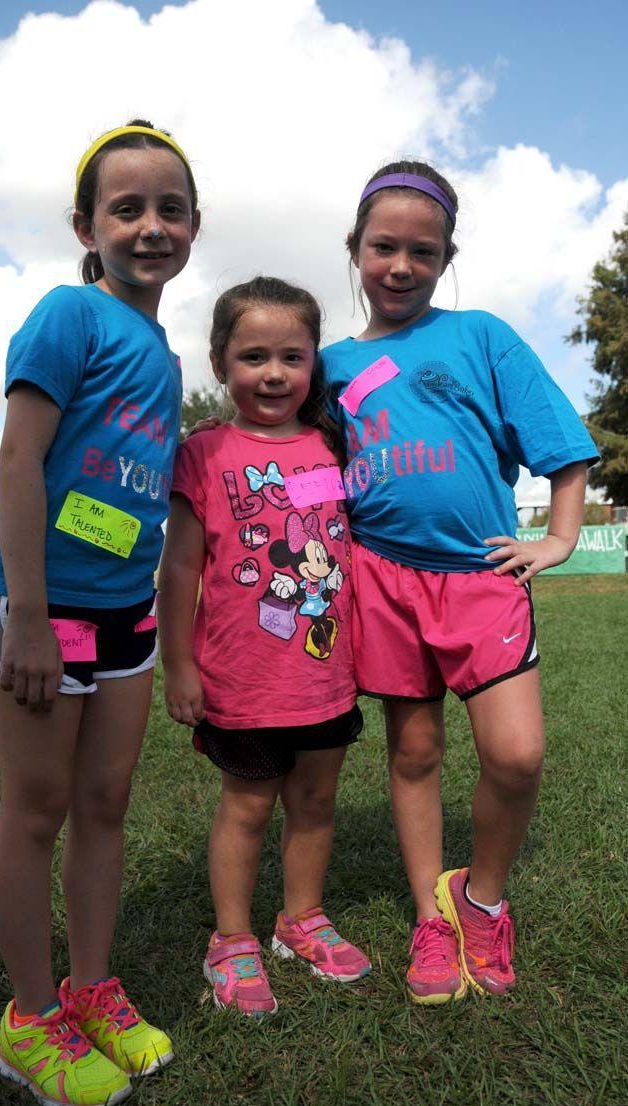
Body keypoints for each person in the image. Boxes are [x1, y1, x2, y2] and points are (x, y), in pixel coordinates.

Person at [321, 160, 598, 1005]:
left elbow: (562, 443)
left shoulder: (481, 335)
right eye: (383, 248)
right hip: (384, 580)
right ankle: (431, 919)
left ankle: (480, 899)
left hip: (480, 580)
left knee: (517, 756)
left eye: (422, 252)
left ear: (445, 259)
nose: (400, 266)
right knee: (414, 751)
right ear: (355, 249)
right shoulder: (329, 365)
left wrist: (558, 537)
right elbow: (302, 469)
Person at [0, 119, 200, 1106]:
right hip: (39, 607)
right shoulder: (69, 314)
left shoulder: (159, 347)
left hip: (126, 615)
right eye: (127, 208)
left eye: (170, 208)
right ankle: (28, 1022)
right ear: (86, 223)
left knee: (104, 803)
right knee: (36, 810)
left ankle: (90, 987)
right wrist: (23, 611)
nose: (150, 225)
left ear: (193, 225)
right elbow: (19, 462)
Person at [158, 276, 371, 1019]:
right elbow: (180, 566)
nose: (274, 373)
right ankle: (233, 939)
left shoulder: (333, 445)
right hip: (241, 681)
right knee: (246, 808)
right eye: (253, 356)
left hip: (324, 675)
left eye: (292, 356)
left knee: (315, 803)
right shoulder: (204, 451)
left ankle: (299, 920)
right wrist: (178, 665)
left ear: (314, 364)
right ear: (219, 363)